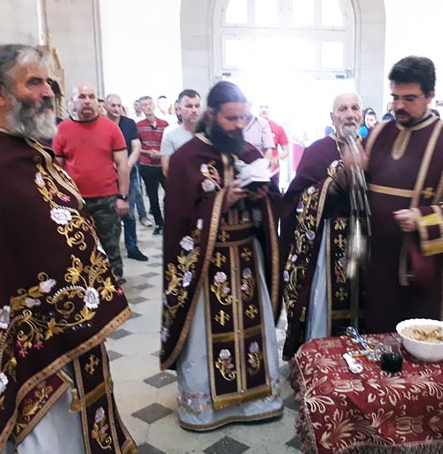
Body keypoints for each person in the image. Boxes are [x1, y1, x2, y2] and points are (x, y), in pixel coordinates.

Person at [0, 43, 134, 454]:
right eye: (34, 82)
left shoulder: (24, 146)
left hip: (66, 317)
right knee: (45, 437)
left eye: (49, 82)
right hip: (25, 331)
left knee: (71, 424)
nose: (47, 92)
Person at [160, 81, 283, 432]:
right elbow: (179, 221)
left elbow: (273, 202)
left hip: (247, 258)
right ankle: (205, 407)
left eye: (244, 118)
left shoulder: (249, 152)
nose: (238, 125)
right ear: (212, 115)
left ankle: (256, 398)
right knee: (204, 335)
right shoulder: (187, 158)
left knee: (253, 329)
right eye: (231, 118)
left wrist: (261, 195)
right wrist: (220, 202)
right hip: (205, 264)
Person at [361, 56, 443, 333]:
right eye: (395, 98)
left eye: (409, 98)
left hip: (422, 267)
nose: (399, 106)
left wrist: (424, 219)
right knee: (375, 334)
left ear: (430, 96)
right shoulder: (378, 134)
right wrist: (348, 173)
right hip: (376, 263)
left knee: (421, 338)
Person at [280, 92, 362, 358]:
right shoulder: (318, 150)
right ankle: (322, 363)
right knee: (323, 306)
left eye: (354, 108)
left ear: (361, 114)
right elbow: (294, 200)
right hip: (326, 245)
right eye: (342, 109)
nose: (349, 114)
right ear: (332, 116)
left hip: (365, 242)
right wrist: (332, 185)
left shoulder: (373, 148)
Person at [53, 84, 130, 283]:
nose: (87, 101)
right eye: (82, 96)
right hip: (75, 201)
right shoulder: (61, 129)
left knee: (110, 246)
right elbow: (56, 168)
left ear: (97, 101)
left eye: (91, 96)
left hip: (107, 199)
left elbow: (122, 165)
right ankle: (85, 286)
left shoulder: (111, 128)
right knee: (78, 246)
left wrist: (123, 196)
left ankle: (114, 284)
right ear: (72, 102)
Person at [106, 93, 149, 261]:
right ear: (106, 106)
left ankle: (132, 247)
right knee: (109, 214)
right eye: (113, 105)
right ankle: (111, 251)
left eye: (119, 105)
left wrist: (127, 166)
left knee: (129, 212)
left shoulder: (129, 123)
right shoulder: (101, 123)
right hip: (108, 173)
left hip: (128, 172)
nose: (116, 109)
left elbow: (136, 147)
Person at [136, 95, 169, 235]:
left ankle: (171, 221)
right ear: (141, 108)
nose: (148, 107)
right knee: (152, 196)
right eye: (145, 105)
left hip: (163, 164)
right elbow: (136, 146)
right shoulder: (138, 126)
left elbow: (168, 143)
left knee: (171, 194)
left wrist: (161, 153)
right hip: (147, 165)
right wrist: (148, 152)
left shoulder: (164, 124)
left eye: (150, 103)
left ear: (154, 105)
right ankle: (159, 224)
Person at [161, 89, 202, 176]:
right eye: (189, 106)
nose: (194, 110)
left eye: (197, 106)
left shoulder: (210, 133)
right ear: (179, 110)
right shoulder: (170, 134)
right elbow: (166, 169)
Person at [258, 103, 290, 186]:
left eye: (266, 107)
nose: (263, 110)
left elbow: (286, 151)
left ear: (270, 110)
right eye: (261, 107)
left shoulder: (278, 128)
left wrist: (276, 158)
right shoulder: (251, 127)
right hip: (256, 170)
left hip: (273, 172)